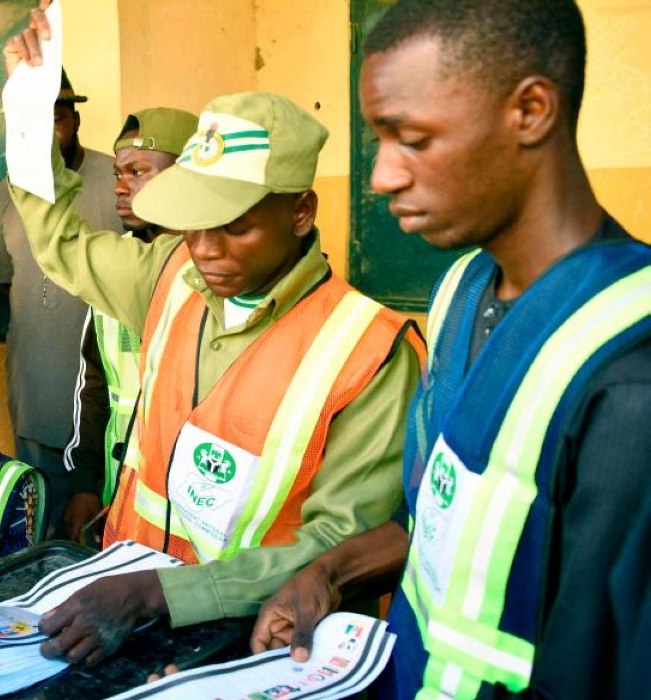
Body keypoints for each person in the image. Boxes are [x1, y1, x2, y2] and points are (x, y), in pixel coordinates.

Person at [249, 1, 651, 698]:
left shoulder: (628, 374)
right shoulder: (461, 290)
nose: (381, 177)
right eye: (378, 141)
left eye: (412, 138)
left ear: (529, 110)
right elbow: (455, 524)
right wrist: (329, 573)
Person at [2, 4, 423, 666]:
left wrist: (162, 595)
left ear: (302, 212)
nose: (207, 251)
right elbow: (61, 241)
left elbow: (341, 541)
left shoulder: (370, 351)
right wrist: (26, 120)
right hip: (123, 612)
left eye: (235, 226)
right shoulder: (168, 273)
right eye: (194, 224)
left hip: (253, 646)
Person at [0, 68, 125, 532]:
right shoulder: (5, 195)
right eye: (33, 122)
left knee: (103, 527)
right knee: (41, 523)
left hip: (106, 406)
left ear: (76, 119)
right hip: (35, 395)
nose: (46, 132)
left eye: (58, 117)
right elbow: (8, 288)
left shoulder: (118, 182)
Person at [61, 106, 197, 544]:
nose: (120, 187)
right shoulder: (118, 264)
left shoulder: (218, 275)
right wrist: (84, 482)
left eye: (137, 172)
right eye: (118, 173)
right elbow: (94, 384)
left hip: (188, 506)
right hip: (116, 488)